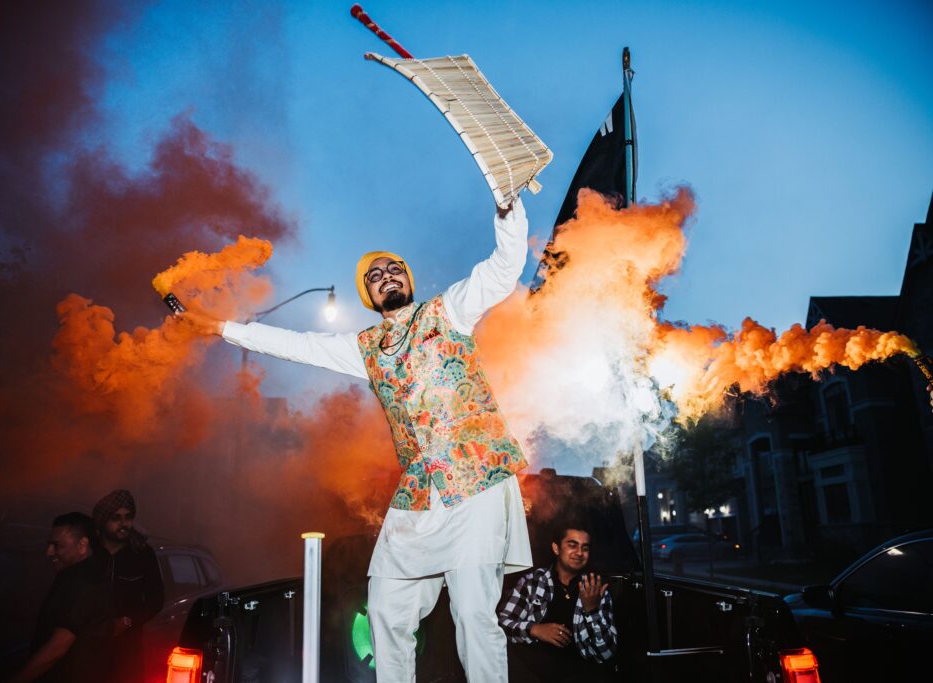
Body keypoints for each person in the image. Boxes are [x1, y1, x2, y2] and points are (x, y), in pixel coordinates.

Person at [183, 200, 533, 682]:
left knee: (473, 614)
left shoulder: (449, 310)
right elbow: (299, 345)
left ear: (409, 280)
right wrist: (223, 328)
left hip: (477, 482)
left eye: (394, 269)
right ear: (368, 296)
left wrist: (509, 212)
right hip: (419, 494)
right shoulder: (364, 348)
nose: (387, 275)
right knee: (387, 608)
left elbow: (502, 269)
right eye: (375, 275)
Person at [498, 524, 617, 682]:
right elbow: (502, 625)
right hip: (532, 671)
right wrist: (535, 629)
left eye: (585, 548)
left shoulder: (596, 588)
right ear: (556, 548)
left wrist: (592, 610)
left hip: (579, 673)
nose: (579, 553)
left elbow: (606, 653)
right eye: (572, 545)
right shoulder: (532, 582)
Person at [10, 512, 112, 683]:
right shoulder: (71, 575)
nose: (49, 552)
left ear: (82, 545)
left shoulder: (85, 583)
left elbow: (58, 646)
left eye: (57, 546)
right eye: (49, 545)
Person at [91, 489, 165, 683]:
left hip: (127, 653)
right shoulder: (88, 553)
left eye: (128, 517)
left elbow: (156, 600)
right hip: (87, 649)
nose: (123, 524)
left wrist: (128, 622)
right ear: (102, 520)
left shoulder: (142, 553)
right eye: (116, 518)